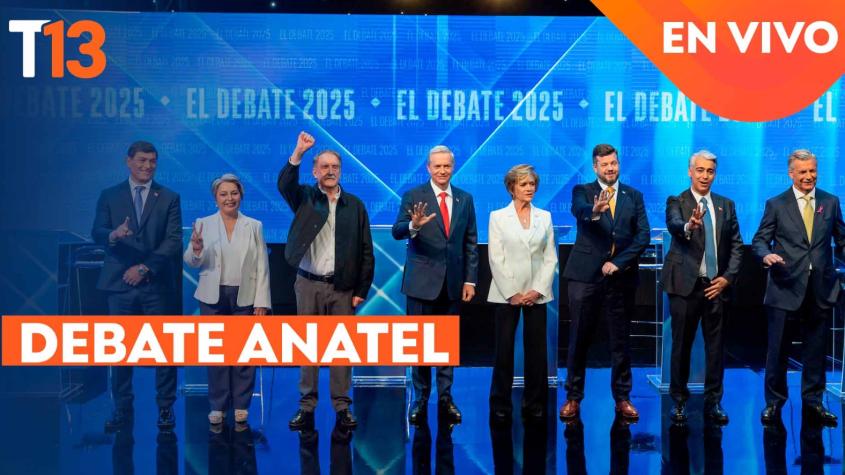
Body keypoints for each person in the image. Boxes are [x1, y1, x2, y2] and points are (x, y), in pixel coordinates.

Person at [279, 131, 374, 431]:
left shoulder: (355, 205)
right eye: (325, 167)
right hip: (308, 284)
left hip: (342, 288)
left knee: (341, 349)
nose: (330, 171)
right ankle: (306, 406)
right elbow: (285, 184)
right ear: (315, 171)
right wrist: (298, 152)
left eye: (335, 167)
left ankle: (342, 407)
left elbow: (366, 250)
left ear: (340, 171)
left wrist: (361, 289)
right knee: (308, 347)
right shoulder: (305, 198)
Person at [91, 140, 182, 432]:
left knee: (164, 349)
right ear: (128, 161)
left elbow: (173, 240)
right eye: (142, 160)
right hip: (119, 285)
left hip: (156, 284)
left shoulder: (169, 197)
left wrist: (144, 268)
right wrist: (113, 234)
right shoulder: (109, 195)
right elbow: (97, 232)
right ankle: (122, 409)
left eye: (152, 161)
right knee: (120, 351)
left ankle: (165, 408)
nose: (147, 166)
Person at [752, 149, 845, 428]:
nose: (808, 176)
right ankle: (774, 402)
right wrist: (766, 255)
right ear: (791, 173)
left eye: (812, 170)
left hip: (820, 288)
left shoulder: (830, 202)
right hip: (785, 286)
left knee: (815, 350)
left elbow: (841, 240)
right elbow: (760, 240)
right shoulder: (776, 204)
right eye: (802, 171)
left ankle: (814, 402)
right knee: (778, 350)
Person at [559, 144, 650, 423]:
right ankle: (573, 397)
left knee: (620, 341)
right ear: (595, 167)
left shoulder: (633, 195)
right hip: (585, 277)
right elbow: (580, 211)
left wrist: (619, 262)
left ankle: (622, 398)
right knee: (579, 339)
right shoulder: (583, 191)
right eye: (605, 164)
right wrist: (595, 210)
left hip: (620, 278)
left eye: (614, 163)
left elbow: (643, 236)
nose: (610, 168)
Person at [392, 145, 479, 426]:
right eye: (437, 166)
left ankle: (445, 397)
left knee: (446, 345)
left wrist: (470, 279)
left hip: (452, 284)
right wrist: (414, 226)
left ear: (453, 167)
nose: (442, 171)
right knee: (420, 344)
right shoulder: (414, 196)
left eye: (447, 166)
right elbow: (397, 231)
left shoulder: (465, 199)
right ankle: (420, 398)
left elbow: (470, 242)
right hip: (421, 284)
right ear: (428, 168)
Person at [662, 150, 743, 426]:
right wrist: (689, 225)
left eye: (710, 171)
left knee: (716, 348)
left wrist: (727, 278)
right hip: (685, 286)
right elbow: (674, 224)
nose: (705, 176)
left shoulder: (726, 205)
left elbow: (737, 246)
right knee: (681, 346)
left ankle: (713, 402)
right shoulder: (677, 201)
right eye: (700, 170)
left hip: (716, 287)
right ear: (690, 171)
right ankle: (679, 401)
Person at [184, 174, 271, 425]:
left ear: (241, 195)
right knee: (217, 352)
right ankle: (218, 405)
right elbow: (191, 261)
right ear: (216, 198)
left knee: (244, 351)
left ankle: (242, 404)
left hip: (245, 296)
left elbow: (262, 265)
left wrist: (261, 301)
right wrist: (197, 249)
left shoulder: (253, 225)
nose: (229, 198)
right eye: (223, 194)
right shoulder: (203, 224)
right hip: (212, 297)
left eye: (234, 193)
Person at [487, 164, 557, 424]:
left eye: (532, 184)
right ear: (511, 188)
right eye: (523, 184)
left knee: (537, 352)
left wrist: (537, 289)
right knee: (504, 350)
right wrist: (513, 293)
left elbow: (550, 257)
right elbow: (496, 257)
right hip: (507, 294)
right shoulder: (497, 217)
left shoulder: (545, 217)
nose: (529, 188)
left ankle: (535, 402)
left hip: (537, 293)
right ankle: (500, 403)